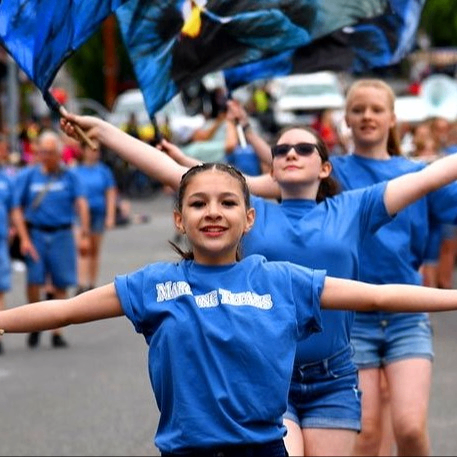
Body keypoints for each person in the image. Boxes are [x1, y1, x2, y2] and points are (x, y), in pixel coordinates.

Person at [61, 104, 457, 456]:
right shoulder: (251, 212)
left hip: (331, 375)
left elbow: (430, 177)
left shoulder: (354, 207)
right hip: (264, 377)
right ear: (269, 167)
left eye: (304, 149)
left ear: (324, 167)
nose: (291, 154)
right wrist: (103, 131)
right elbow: (176, 175)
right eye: (281, 150)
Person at [10, 129, 90, 349]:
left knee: (60, 282)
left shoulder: (69, 176)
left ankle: (56, 331)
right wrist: (24, 238)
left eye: (50, 152)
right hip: (36, 233)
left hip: (62, 233)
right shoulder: (28, 176)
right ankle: (36, 320)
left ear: (59, 153)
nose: (45, 156)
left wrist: (83, 234)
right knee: (34, 280)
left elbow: (81, 204)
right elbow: (16, 208)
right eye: (42, 152)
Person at [73, 139, 117, 294]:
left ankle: (91, 282)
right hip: (80, 215)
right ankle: (81, 282)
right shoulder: (76, 171)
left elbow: (110, 193)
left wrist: (110, 216)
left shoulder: (104, 171)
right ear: (84, 151)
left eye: (96, 150)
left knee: (94, 249)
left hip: (98, 213)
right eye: (91, 149)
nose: (94, 153)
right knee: (82, 248)